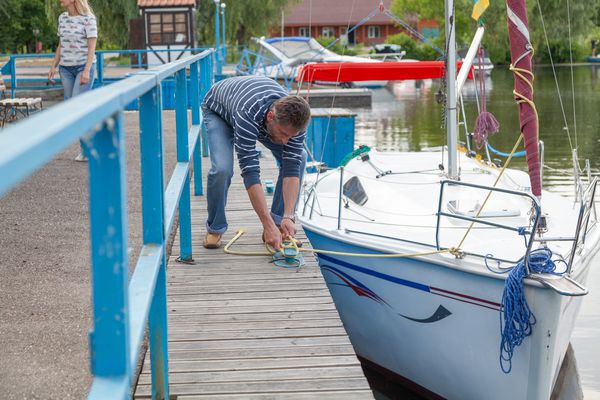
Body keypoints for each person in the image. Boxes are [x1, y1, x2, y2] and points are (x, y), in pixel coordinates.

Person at [201, 76, 311, 251]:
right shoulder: (248, 113)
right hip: (220, 111)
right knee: (222, 169)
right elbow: (250, 172)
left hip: (254, 113)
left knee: (301, 157)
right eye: (283, 133)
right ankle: (215, 227)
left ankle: (278, 224)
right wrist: (265, 223)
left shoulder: (295, 125)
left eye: (290, 136)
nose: (284, 141)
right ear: (270, 117)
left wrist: (288, 216)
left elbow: (291, 168)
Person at [47, 0, 98, 162]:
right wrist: (53, 66)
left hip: (83, 67)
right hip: (66, 69)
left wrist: (87, 70)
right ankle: (86, 149)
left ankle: (89, 149)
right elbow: (61, 45)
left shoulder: (88, 18)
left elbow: (92, 48)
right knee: (73, 108)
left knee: (78, 106)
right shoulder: (62, 18)